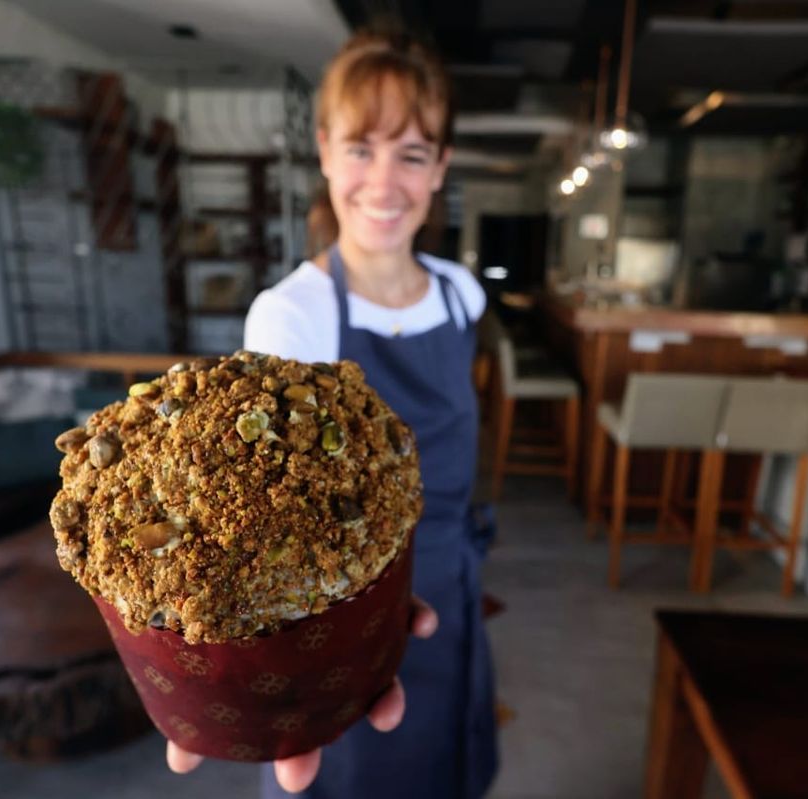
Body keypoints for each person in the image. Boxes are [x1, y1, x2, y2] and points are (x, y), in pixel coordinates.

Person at [165, 27, 499, 799]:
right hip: (347, 607)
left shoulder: (460, 292)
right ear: (323, 151)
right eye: (361, 148)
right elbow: (270, 511)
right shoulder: (291, 315)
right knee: (361, 769)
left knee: (448, 760)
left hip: (452, 571)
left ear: (440, 167)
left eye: (412, 153)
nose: (384, 182)